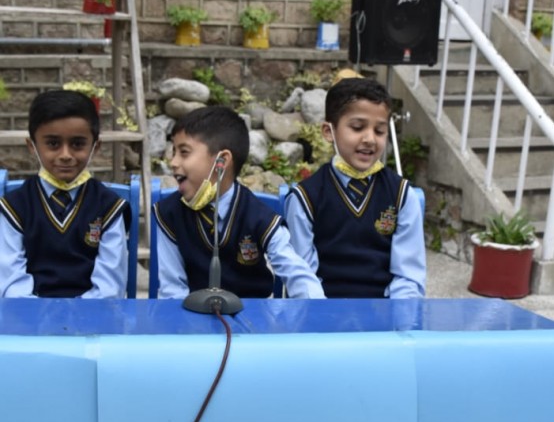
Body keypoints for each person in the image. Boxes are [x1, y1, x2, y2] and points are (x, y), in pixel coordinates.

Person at [152, 105, 325, 300]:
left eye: (184, 152)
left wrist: (318, 309)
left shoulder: (260, 216)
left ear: (222, 161)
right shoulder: (168, 214)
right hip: (191, 314)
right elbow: (172, 290)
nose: (173, 162)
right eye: (173, 152)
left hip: (252, 314)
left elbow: (296, 272)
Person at [284, 76, 426, 298]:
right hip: (324, 310)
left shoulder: (401, 195)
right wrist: (322, 315)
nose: (370, 139)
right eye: (358, 127)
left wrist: (399, 315)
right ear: (329, 131)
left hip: (384, 311)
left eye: (380, 131)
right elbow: (303, 277)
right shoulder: (305, 198)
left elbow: (408, 277)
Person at [0, 89, 131, 298]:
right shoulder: (14, 207)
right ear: (32, 146)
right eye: (53, 144)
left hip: (93, 314)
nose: (65, 155)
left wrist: (77, 315)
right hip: (30, 314)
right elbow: (12, 286)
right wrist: (42, 315)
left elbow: (109, 288)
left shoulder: (109, 206)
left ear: (95, 147)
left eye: (77, 144)